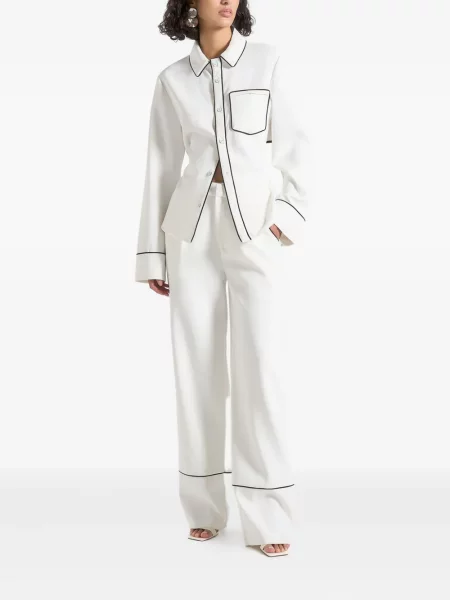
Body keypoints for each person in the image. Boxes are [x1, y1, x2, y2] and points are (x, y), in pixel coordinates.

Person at [135, 0, 310, 558]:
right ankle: (204, 508)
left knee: (261, 365)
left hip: (255, 229)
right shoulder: (172, 80)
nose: (227, 0)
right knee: (197, 367)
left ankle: (269, 514)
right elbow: (161, 167)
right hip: (190, 231)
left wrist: (284, 221)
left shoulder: (267, 61)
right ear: (189, 5)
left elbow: (299, 148)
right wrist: (154, 256)